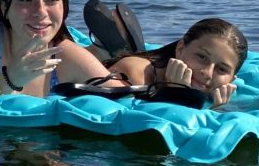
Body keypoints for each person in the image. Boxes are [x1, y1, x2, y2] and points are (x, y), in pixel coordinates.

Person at [104, 17, 247, 106]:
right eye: (202, 57)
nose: (207, 73)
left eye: (221, 69)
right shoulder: (136, 73)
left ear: (231, 79)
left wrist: (215, 110)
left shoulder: (215, 95)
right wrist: (175, 93)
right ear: (180, 48)